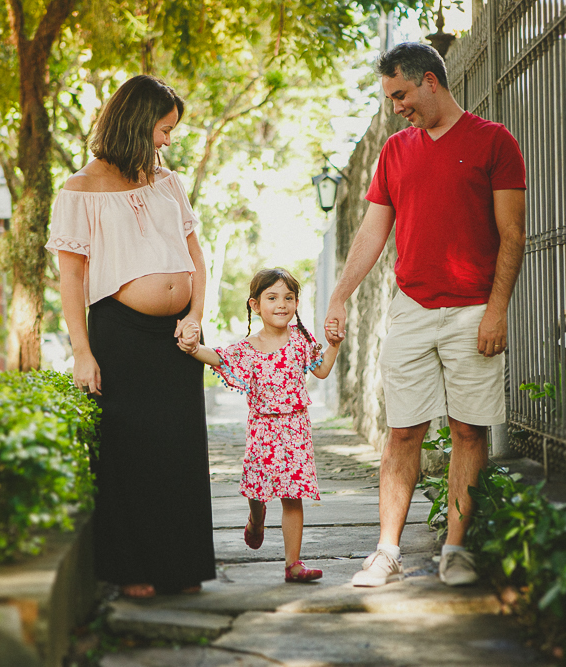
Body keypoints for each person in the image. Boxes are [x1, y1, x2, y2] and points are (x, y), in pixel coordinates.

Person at [324, 42, 526, 588]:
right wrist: (340, 294)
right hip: (410, 309)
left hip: (473, 311)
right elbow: (372, 231)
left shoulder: (495, 142)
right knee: (402, 432)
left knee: (467, 430)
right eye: (390, 98)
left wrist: (497, 311)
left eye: (401, 94)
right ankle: (386, 552)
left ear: (431, 82)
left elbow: (513, 235)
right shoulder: (395, 150)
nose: (397, 106)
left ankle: (455, 552)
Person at [45, 74, 215, 598]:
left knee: (180, 448)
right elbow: (70, 276)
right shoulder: (79, 189)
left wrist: (195, 316)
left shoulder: (168, 182)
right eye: (163, 130)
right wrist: (81, 351)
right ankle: (134, 570)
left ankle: (182, 566)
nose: (168, 140)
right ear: (138, 124)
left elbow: (196, 258)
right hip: (120, 331)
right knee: (131, 451)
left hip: (178, 334)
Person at [178, 268, 341, 582]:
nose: (281, 304)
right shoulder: (248, 348)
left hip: (296, 429)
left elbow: (320, 370)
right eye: (272, 297)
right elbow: (220, 358)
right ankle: (256, 518)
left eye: (288, 298)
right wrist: (194, 348)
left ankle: (293, 564)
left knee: (293, 494)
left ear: (295, 303)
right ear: (255, 305)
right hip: (262, 430)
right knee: (258, 489)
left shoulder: (301, 340)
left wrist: (333, 343)